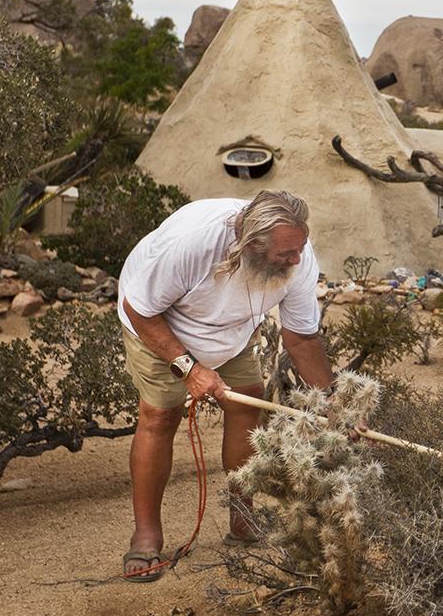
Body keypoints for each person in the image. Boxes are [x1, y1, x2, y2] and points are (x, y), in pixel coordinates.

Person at [115, 189, 335, 581]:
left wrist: (334, 405)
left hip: (229, 331)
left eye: (300, 249)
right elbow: (140, 308)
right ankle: (146, 535)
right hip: (159, 325)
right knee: (160, 415)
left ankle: (243, 515)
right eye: (286, 253)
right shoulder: (192, 243)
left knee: (248, 402)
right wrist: (191, 368)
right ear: (251, 244)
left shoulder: (297, 255)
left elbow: (301, 338)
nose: (297, 260)